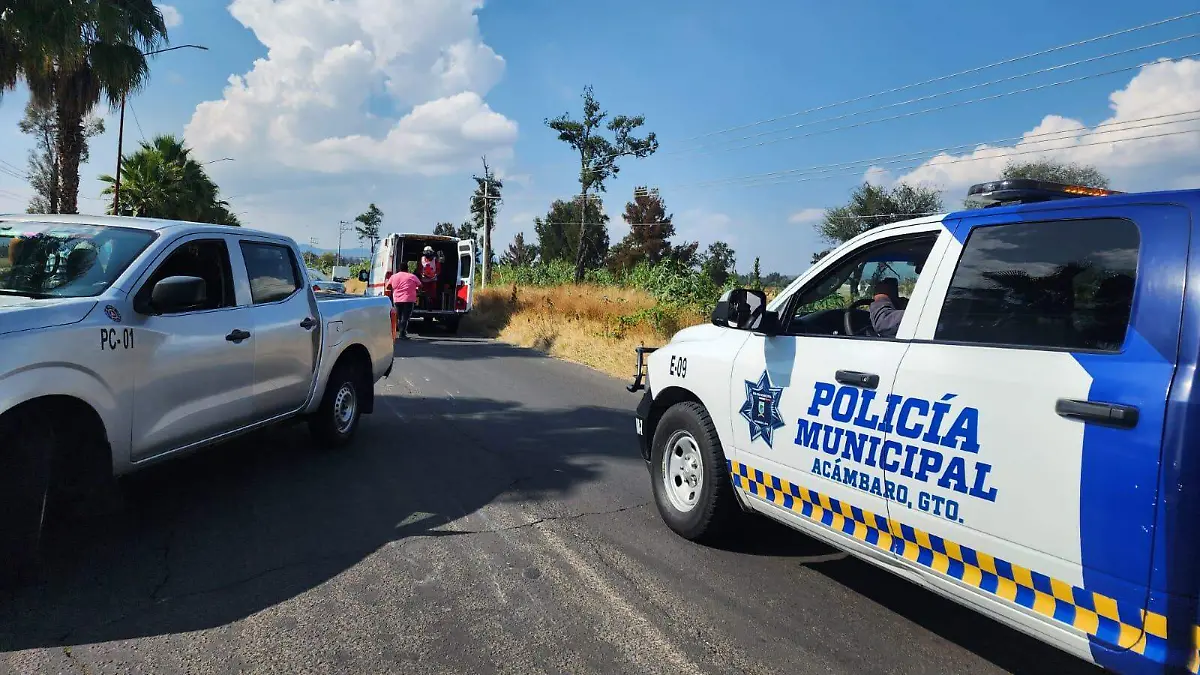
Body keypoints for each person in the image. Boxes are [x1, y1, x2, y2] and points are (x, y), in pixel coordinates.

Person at [388, 262, 421, 340]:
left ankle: (400, 332)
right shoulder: (412, 276)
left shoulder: (393, 277)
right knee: (405, 317)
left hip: (397, 299)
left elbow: (388, 287)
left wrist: (395, 289)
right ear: (407, 268)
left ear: (399, 269)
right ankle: (402, 333)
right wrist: (416, 290)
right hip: (409, 299)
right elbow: (420, 285)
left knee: (399, 317)